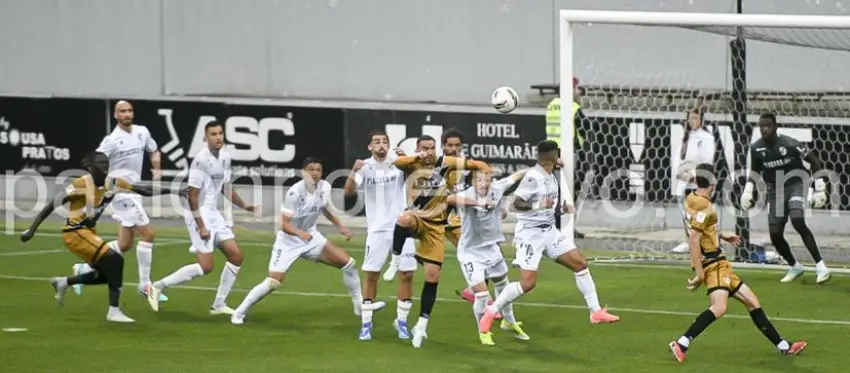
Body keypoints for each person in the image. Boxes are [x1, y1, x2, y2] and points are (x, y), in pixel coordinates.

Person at [478, 140, 619, 336]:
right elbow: (515, 204)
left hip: (549, 231)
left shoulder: (550, 174)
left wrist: (560, 208)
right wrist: (539, 206)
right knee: (527, 284)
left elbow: (545, 203)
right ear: (554, 155)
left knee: (580, 264)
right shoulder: (534, 177)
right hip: (530, 235)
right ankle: (490, 312)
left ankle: (595, 312)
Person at [669, 163, 807, 362]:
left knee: (752, 302)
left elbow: (697, 228)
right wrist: (699, 273)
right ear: (714, 183)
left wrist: (721, 235)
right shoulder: (705, 206)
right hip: (713, 263)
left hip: (719, 262)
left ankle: (784, 346)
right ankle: (682, 343)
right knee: (719, 308)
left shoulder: (691, 199)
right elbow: (693, 239)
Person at [20, 152, 178, 323]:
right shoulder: (81, 184)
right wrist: (32, 229)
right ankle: (114, 311)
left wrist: (173, 190)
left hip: (88, 233)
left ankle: (64, 282)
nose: (105, 166)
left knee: (106, 274)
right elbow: (54, 203)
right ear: (90, 167)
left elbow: (142, 189)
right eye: (100, 164)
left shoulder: (112, 183)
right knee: (116, 260)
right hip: (75, 232)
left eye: (106, 163)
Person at [231, 158, 366, 325]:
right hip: (288, 242)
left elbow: (324, 207)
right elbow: (284, 225)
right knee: (273, 282)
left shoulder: (325, 187)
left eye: (318, 169)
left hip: (311, 237)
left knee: (349, 264)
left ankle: (359, 306)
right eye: (311, 170)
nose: (315, 173)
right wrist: (300, 234)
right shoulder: (294, 193)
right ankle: (239, 312)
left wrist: (340, 226)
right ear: (303, 172)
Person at [145, 120, 259, 314]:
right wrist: (202, 226)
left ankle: (219, 304)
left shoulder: (225, 157)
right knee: (206, 267)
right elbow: (192, 195)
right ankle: (156, 286)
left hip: (214, 213)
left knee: (236, 256)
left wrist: (245, 205)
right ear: (206, 138)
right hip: (198, 213)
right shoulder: (200, 160)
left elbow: (225, 187)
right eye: (213, 134)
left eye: (220, 133)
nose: (218, 137)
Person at [390, 135, 491, 348]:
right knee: (404, 218)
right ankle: (395, 260)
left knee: (433, 277)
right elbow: (397, 163)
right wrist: (415, 156)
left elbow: (478, 164)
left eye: (432, 148)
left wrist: (484, 182)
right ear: (418, 149)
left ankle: (422, 325)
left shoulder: (446, 163)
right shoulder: (412, 162)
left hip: (436, 226)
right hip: (418, 218)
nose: (429, 152)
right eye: (424, 148)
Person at [70, 100, 168, 302]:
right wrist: (102, 185)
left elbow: (154, 150)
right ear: (115, 115)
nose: (127, 114)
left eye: (129, 110)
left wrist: (156, 168)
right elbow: (96, 162)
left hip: (134, 191)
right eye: (122, 111)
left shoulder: (142, 132)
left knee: (125, 244)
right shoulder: (112, 140)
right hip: (119, 193)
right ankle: (144, 285)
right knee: (149, 233)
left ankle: (84, 267)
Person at [740, 113, 831, 284]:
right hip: (775, 189)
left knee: (797, 220)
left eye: (768, 125)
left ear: (775, 127)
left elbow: (814, 160)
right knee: (775, 234)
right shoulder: (756, 148)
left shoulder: (790, 144)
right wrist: (748, 189)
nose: (764, 129)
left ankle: (821, 267)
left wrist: (819, 186)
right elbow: (754, 172)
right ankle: (795, 266)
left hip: (797, 182)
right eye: (762, 126)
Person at [344, 131, 417, 340]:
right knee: (372, 274)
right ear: (370, 147)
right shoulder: (364, 166)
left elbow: (416, 180)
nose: (381, 145)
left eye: (385, 141)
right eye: (377, 142)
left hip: (402, 227)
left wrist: (408, 163)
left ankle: (402, 323)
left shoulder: (399, 162)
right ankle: (366, 325)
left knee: (407, 274)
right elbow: (349, 192)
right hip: (377, 229)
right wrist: (353, 171)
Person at [448, 168, 530, 346]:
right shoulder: (466, 194)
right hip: (470, 252)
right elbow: (450, 198)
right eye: (480, 181)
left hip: (492, 249)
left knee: (503, 284)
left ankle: (509, 321)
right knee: (483, 294)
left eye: (487, 180)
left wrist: (538, 167)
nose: (484, 184)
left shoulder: (497, 188)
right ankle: (483, 331)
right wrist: (477, 202)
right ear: (473, 182)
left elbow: (515, 177)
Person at [545, 76, 588, 239]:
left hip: (551, 153)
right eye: (577, 88)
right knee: (569, 193)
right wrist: (585, 152)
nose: (579, 92)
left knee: (557, 192)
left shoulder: (551, 105)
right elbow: (582, 134)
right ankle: (565, 227)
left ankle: (559, 227)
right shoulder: (574, 108)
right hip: (569, 155)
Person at [672, 107, 716, 254]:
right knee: (685, 214)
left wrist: (692, 173)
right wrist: (679, 173)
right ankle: (688, 241)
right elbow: (679, 158)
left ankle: (702, 242)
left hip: (698, 181)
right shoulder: (686, 136)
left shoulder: (706, 137)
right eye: (690, 118)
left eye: (695, 118)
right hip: (682, 182)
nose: (692, 121)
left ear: (702, 119)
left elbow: (707, 161)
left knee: (698, 214)